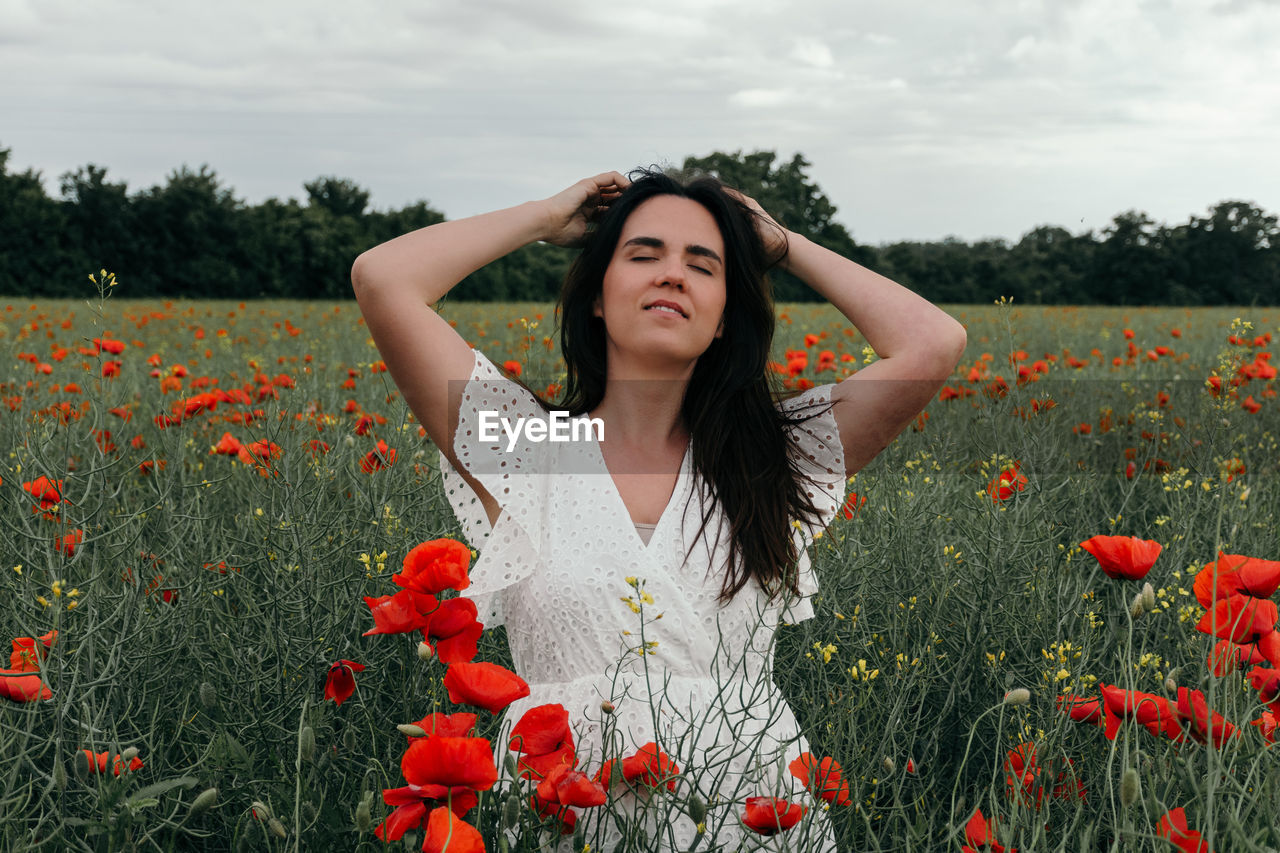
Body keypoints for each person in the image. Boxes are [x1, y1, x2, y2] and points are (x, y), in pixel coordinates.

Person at [351, 169, 966, 850]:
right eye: (643, 255)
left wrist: (781, 243)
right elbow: (384, 278)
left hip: (751, 817)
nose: (672, 275)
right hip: (565, 819)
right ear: (596, 297)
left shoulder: (771, 460)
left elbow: (932, 344)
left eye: (703, 265)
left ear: (725, 314)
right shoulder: (528, 448)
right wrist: (545, 216)